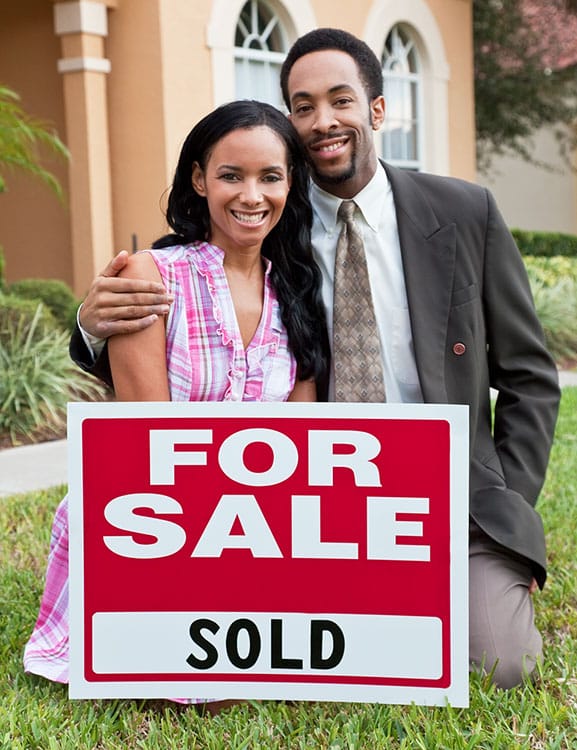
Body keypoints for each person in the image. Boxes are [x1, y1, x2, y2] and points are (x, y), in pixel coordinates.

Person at [69, 28, 560, 690]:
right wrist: (89, 325)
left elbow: (528, 376)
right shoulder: (265, 224)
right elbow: (170, 314)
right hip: (313, 514)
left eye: (339, 100)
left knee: (500, 666)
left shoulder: (463, 212)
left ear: (377, 110)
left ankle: (468, 577)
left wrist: (509, 509)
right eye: (301, 106)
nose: (322, 121)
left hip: (451, 498)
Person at [23, 99, 329, 709]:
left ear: (291, 184)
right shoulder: (150, 276)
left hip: (255, 525)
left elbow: (302, 450)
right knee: (203, 694)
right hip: (155, 519)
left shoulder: (298, 290)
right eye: (230, 175)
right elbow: (148, 445)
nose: (251, 195)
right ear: (199, 179)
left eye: (270, 176)